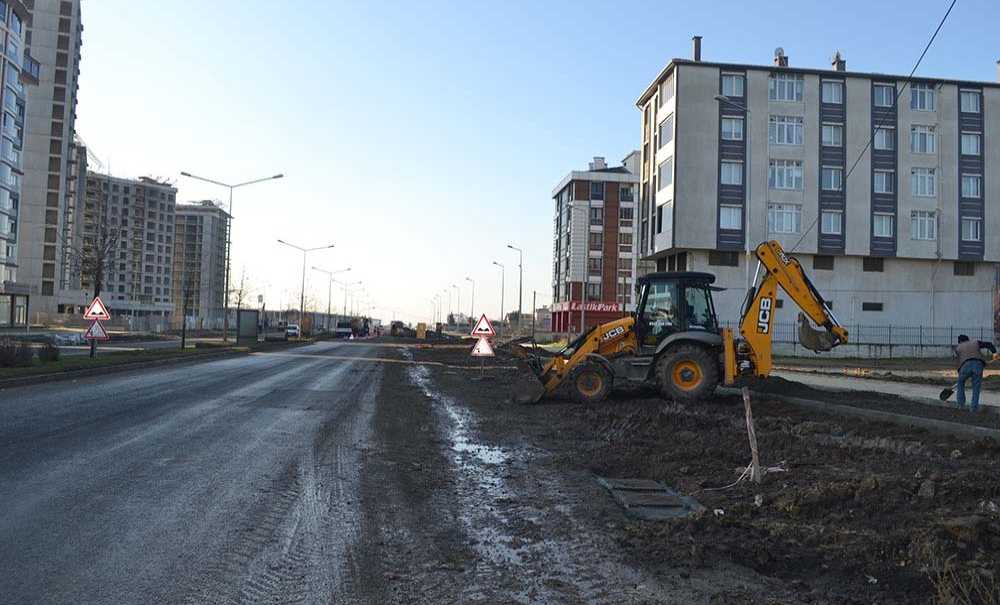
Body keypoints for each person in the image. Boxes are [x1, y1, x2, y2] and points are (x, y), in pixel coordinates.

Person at [954, 334, 996, 412]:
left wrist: (961, 376)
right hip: (978, 365)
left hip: (965, 366)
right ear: (968, 339)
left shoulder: (958, 348)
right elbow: (989, 344)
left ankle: (960, 405)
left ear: (959, 342)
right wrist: (995, 353)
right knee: (976, 388)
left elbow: (958, 363)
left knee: (960, 383)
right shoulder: (975, 343)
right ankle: (973, 408)